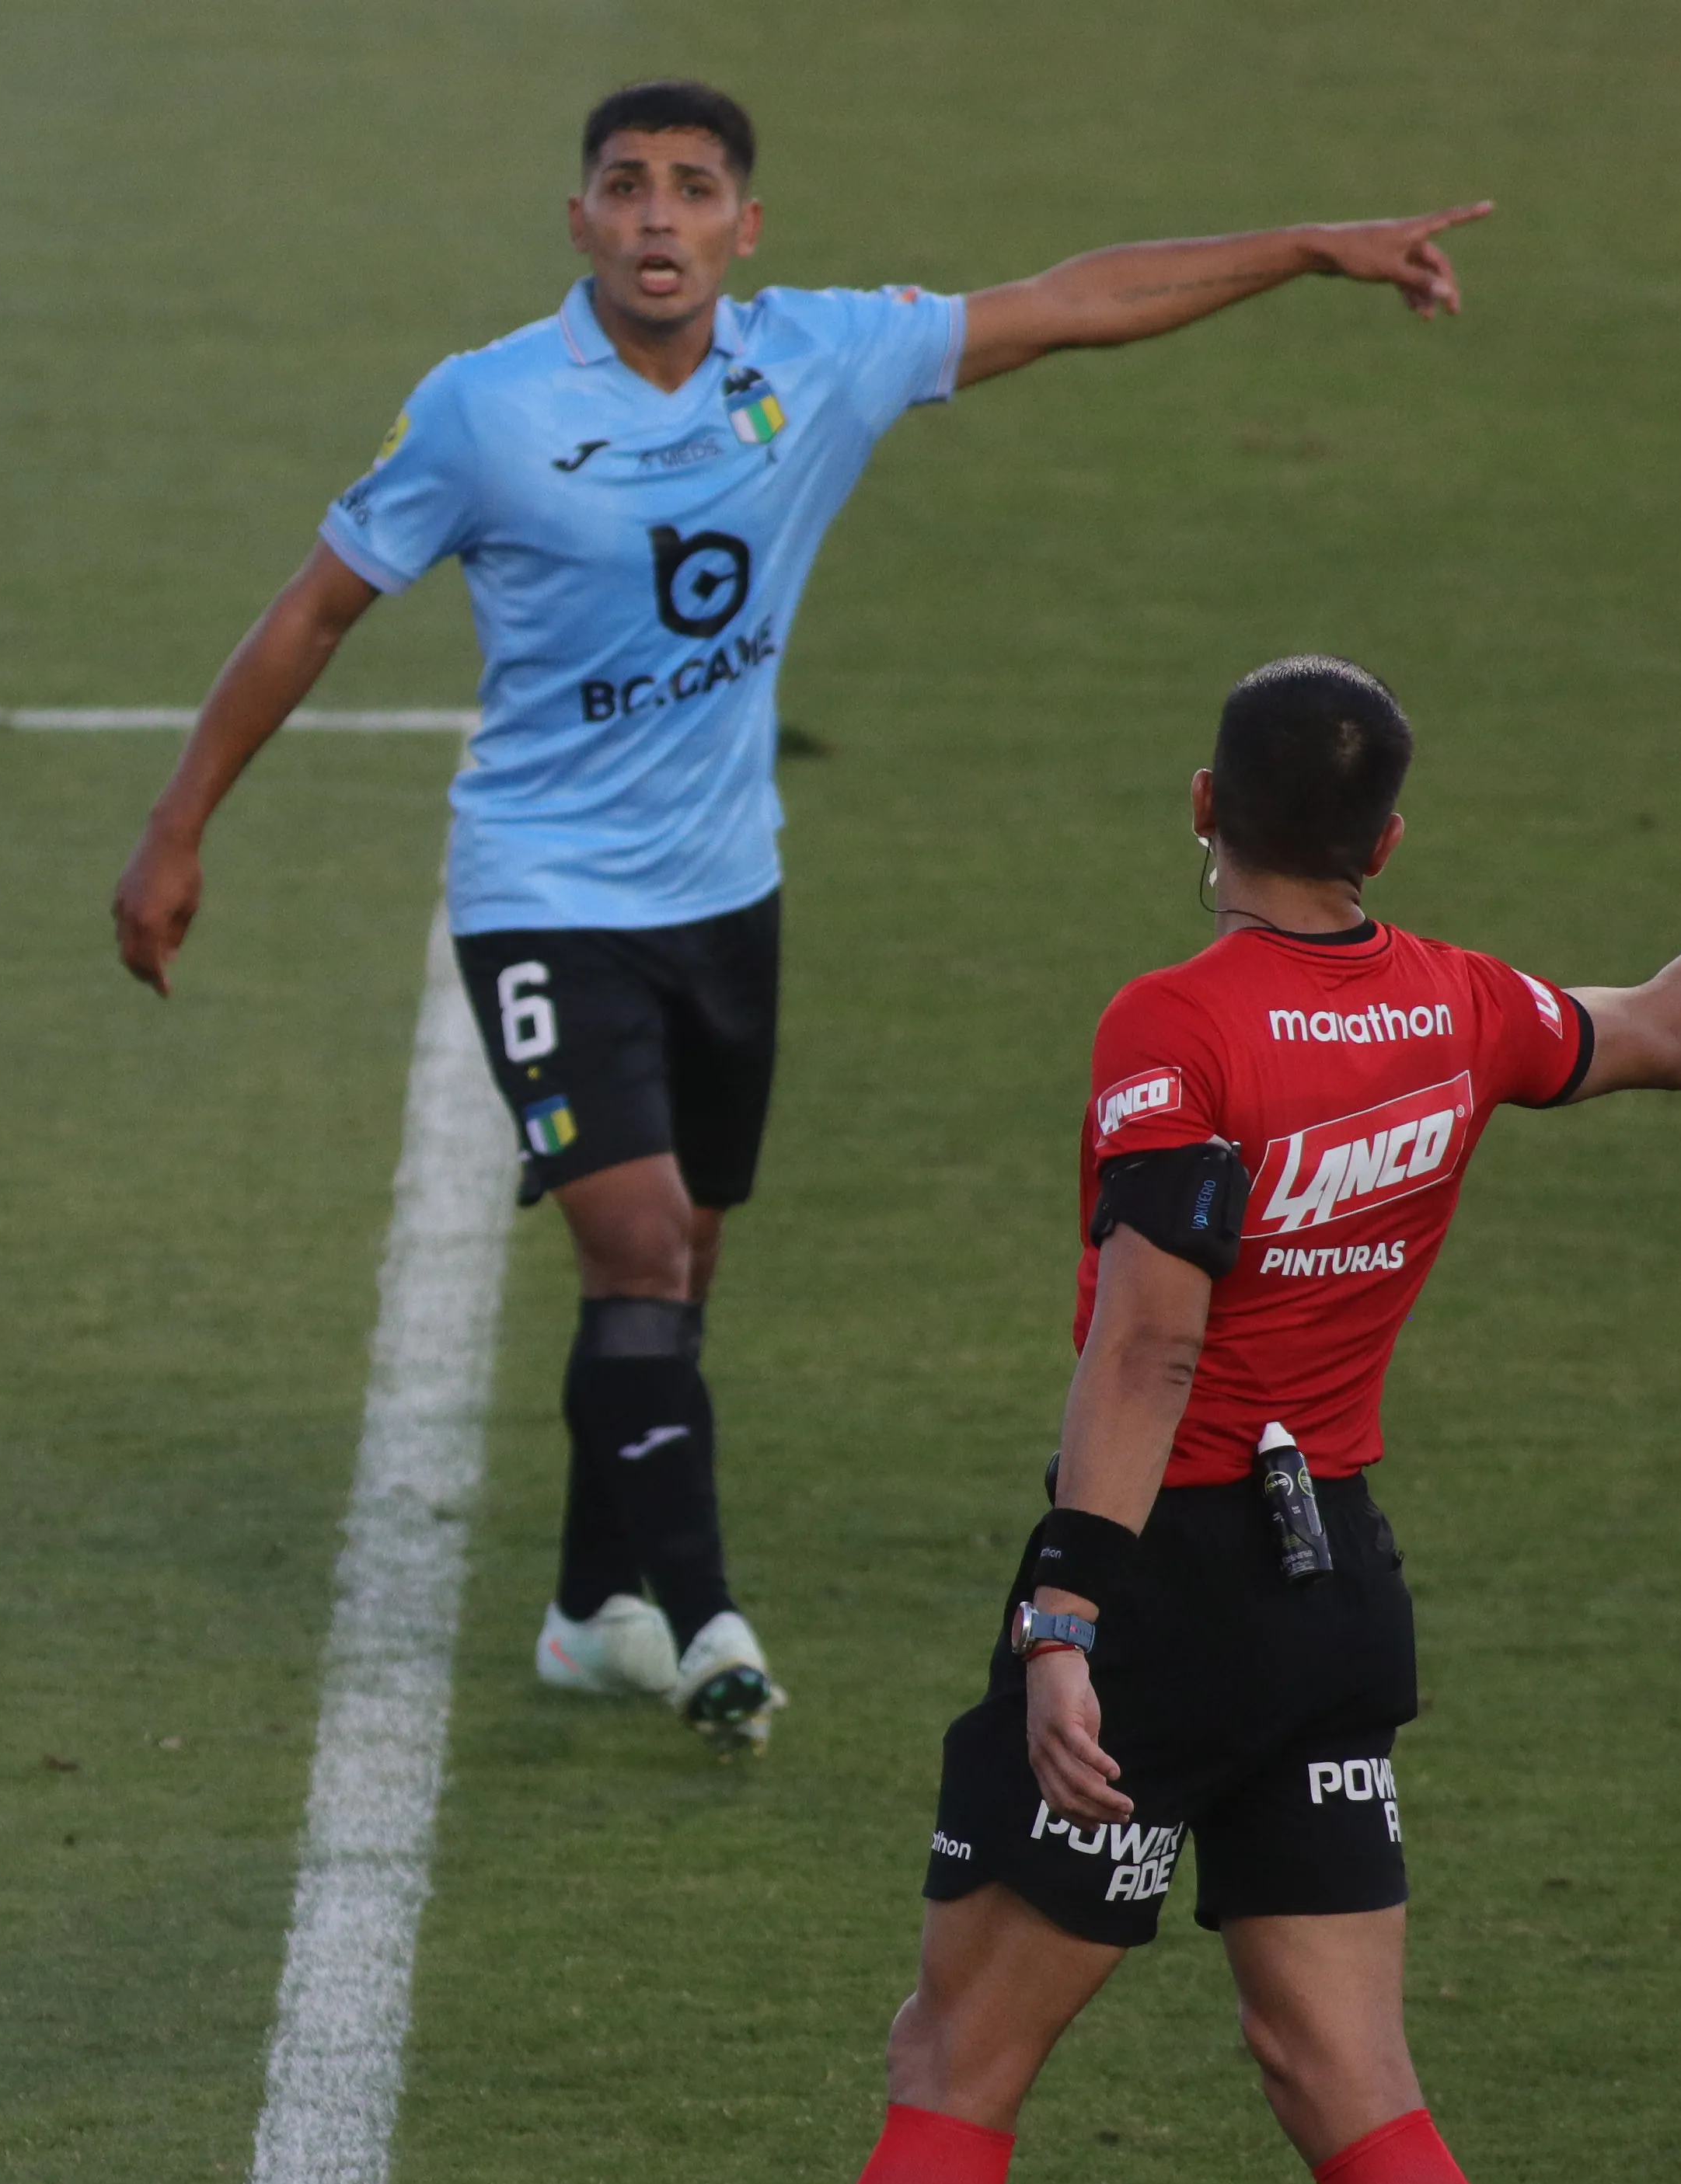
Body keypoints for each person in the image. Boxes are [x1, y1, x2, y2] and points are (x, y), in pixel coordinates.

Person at [570, 659, 1681, 2184]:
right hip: (1340, 1586)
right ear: (1388, 841)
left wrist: (1068, 1612)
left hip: (1169, 1582)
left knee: (957, 2058)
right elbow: (1665, 1033)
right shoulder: (1461, 1002)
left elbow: (1147, 1340)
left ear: (1198, 807)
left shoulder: (1182, 1029)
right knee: (1344, 2065)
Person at [110, 78, 1490, 1753]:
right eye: (622, 187)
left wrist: (1303, 251)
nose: (654, 217)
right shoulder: (482, 411)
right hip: (540, 895)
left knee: (677, 1263)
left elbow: (1070, 302)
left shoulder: (814, 360)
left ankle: (579, 1612)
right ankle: (702, 1627)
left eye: (690, 188)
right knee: (627, 1242)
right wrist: (176, 826)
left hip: (725, 893)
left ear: (739, 228)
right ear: (578, 222)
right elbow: (314, 609)